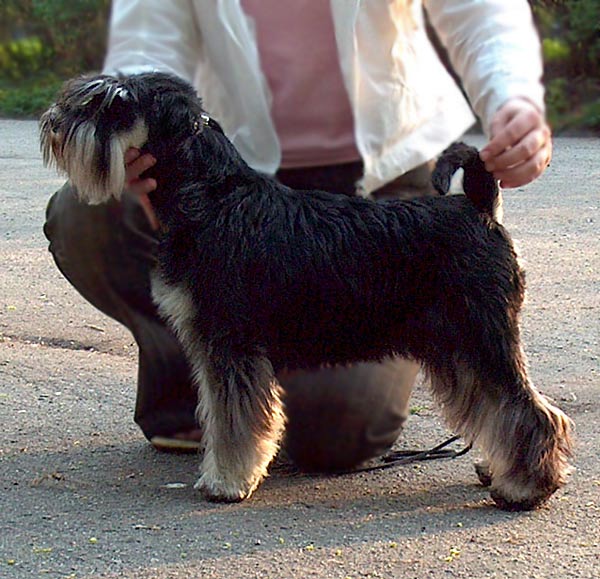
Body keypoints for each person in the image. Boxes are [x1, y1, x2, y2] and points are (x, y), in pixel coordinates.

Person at [44, 0, 552, 471]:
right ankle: (198, 365)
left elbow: (480, 11)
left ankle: (528, 450)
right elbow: (147, 41)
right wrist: (140, 147)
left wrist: (514, 101)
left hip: (384, 181)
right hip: (230, 157)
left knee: (338, 433)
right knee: (85, 217)